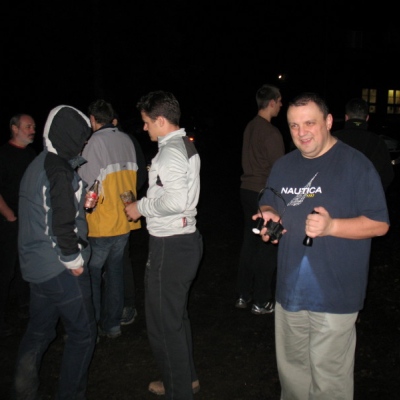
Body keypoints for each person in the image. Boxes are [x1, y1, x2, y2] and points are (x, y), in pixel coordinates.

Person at [256, 93, 389, 400]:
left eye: (309, 123)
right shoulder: (284, 165)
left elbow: (380, 224)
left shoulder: (356, 164)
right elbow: (269, 202)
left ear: (329, 122)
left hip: (336, 293)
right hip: (289, 293)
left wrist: (332, 227)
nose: (301, 132)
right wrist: (268, 215)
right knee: (292, 377)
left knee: (329, 382)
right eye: (294, 125)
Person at [13, 105, 96, 400]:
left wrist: (79, 203)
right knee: (83, 334)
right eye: (81, 138)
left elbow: (47, 210)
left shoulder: (41, 163)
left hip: (36, 267)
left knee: (39, 332)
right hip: (60, 269)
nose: (83, 145)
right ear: (67, 135)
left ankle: (22, 392)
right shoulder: (58, 169)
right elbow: (60, 224)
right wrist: (74, 262)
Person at [125, 91, 203, 399]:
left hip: (171, 247)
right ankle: (185, 380)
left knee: (162, 325)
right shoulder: (183, 145)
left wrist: (140, 207)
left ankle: (178, 391)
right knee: (175, 318)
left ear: (160, 120)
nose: (144, 128)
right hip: (182, 243)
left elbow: (176, 201)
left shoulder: (171, 152)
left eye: (146, 122)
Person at [79, 99, 141, 338]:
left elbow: (87, 182)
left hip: (102, 222)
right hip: (125, 218)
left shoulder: (95, 142)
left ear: (93, 119)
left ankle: (91, 327)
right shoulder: (126, 140)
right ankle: (112, 325)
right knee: (115, 274)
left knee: (93, 275)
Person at [236, 84, 284, 314]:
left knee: (250, 241)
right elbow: (280, 170)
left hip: (246, 190)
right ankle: (261, 301)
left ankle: (243, 295)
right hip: (263, 194)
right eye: (280, 101)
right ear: (272, 102)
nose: (281, 105)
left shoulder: (250, 127)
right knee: (267, 245)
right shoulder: (271, 133)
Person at [0, 114, 36, 337]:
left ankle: (25, 305)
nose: (33, 130)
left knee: (26, 265)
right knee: (5, 270)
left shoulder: (31, 155)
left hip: (29, 220)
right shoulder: (3, 154)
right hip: (9, 222)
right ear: (14, 128)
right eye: (28, 126)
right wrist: (9, 215)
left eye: (33, 126)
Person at [111, 113, 147, 326]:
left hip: (124, 209)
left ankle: (128, 304)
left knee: (122, 257)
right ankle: (112, 306)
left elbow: (140, 172)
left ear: (115, 122)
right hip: (102, 214)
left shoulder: (128, 141)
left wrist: (131, 196)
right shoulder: (95, 141)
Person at [334, 98, 394, 191]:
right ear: (367, 118)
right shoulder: (377, 142)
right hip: (367, 196)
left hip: (337, 195)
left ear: (346, 117)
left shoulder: (333, 138)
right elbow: (387, 175)